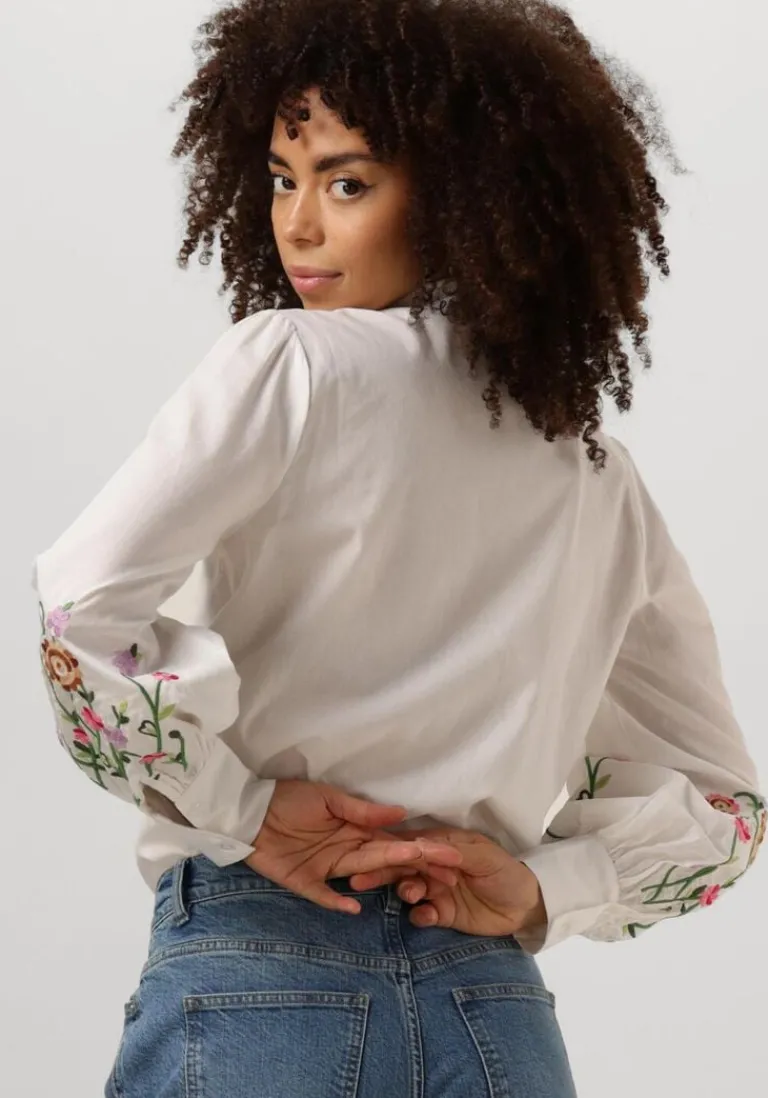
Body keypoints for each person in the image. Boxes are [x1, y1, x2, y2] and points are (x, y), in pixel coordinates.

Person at [33, 0, 765, 1095]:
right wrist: (545, 889)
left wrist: (241, 811)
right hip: (492, 1013)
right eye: (281, 178)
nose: (297, 225)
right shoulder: (592, 471)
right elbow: (725, 809)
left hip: (263, 975)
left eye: (347, 183)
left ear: (462, 193)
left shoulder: (293, 365)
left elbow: (77, 612)